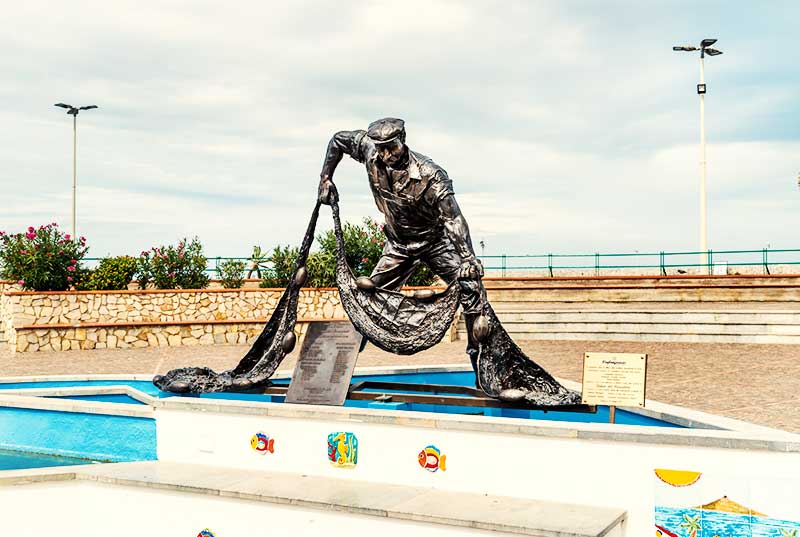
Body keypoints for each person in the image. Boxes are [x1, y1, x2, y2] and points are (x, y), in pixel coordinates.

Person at [318, 118, 486, 375]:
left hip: (434, 244)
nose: (385, 154)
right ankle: (335, 372)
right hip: (398, 246)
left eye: (391, 147)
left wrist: (467, 258)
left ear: (403, 140)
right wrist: (325, 178)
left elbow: (453, 217)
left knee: (472, 289)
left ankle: (483, 365)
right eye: (381, 148)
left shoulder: (430, 175)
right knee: (365, 301)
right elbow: (338, 140)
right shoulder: (370, 151)